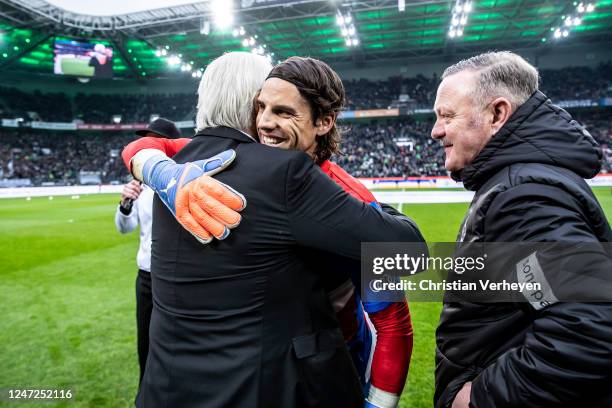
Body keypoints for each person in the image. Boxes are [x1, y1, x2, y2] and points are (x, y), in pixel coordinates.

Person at [123, 52, 426, 408]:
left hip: (170, 388)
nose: (265, 122)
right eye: (260, 107)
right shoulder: (268, 174)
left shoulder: (179, 172)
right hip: (275, 386)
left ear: (324, 121)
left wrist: (151, 165)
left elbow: (392, 317)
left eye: (282, 111)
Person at [430, 51, 612, 407]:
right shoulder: (523, 179)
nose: (436, 130)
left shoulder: (524, 192)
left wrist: (480, 398)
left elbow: (589, 325)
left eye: (447, 116)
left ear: (497, 114)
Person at [114, 117, 182, 384]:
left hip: (176, 278)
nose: (145, 144)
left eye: (152, 138)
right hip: (147, 278)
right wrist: (125, 204)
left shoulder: (182, 178)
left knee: (176, 345)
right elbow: (125, 228)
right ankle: (145, 395)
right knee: (145, 342)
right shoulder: (137, 183)